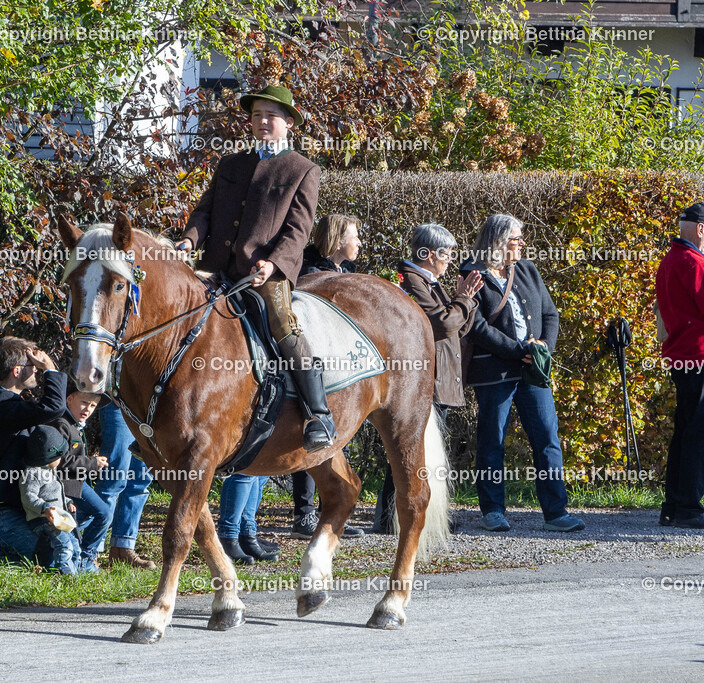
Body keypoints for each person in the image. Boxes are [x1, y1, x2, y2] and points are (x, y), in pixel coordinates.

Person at [177, 84, 334, 454]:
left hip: (263, 274)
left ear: (288, 123)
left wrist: (274, 263)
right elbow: (205, 211)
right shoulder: (231, 163)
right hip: (215, 268)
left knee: (283, 324)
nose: (262, 121)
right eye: (257, 115)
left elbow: (298, 231)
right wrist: (189, 240)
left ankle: (318, 414)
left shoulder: (303, 170)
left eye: (271, 116)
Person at [460, 214, 585, 533]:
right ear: (499, 241)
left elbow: (550, 314)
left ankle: (556, 512)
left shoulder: (527, 270)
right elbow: (476, 327)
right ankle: (492, 511)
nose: (522, 244)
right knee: (492, 440)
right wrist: (520, 350)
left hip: (533, 370)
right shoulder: (472, 273)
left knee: (547, 437)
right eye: (517, 238)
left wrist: (543, 346)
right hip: (494, 372)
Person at [374, 224, 482, 533]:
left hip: (438, 378)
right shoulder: (412, 280)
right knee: (408, 450)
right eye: (446, 254)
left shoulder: (430, 282)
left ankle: (423, 512)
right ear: (429, 255)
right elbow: (443, 324)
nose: (449, 260)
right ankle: (390, 516)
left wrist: (467, 301)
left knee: (421, 451)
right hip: (422, 380)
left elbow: (457, 329)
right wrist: (462, 300)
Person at [656, 202, 704, 529]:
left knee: (687, 433)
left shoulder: (673, 259)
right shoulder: (695, 263)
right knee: (700, 435)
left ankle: (675, 505)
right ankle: (688, 506)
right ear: (701, 229)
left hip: (687, 357)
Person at [291, 214, 366, 539]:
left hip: (337, 365)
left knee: (336, 437)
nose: (359, 243)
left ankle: (330, 511)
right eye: (354, 236)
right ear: (337, 240)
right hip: (308, 364)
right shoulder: (309, 273)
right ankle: (304, 513)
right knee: (309, 434)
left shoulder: (344, 272)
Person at [0, 336, 66, 563]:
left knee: (65, 551)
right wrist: (50, 370)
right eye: (33, 367)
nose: (37, 371)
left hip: (11, 511)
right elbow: (52, 407)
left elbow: (50, 410)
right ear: (17, 371)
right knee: (52, 559)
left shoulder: (4, 402)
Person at [56, 383, 113, 571]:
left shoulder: (74, 424)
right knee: (103, 514)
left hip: (76, 483)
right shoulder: (61, 424)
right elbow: (61, 461)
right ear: (69, 399)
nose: (87, 409)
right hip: (64, 484)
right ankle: (85, 556)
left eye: (92, 406)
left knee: (95, 514)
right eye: (84, 403)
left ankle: (82, 553)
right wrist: (91, 464)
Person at [93, 403, 158, 569]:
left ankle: (123, 548)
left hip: (149, 405)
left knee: (140, 480)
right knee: (114, 478)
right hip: (118, 401)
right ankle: (91, 550)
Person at [19, 425, 80, 574]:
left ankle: (77, 572)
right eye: (59, 457)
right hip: (42, 519)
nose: (61, 460)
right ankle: (64, 573)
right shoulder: (32, 474)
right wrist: (44, 507)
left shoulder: (51, 472)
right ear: (48, 458)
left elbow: (56, 494)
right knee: (64, 544)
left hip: (58, 519)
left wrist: (68, 502)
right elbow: (28, 496)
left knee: (74, 544)